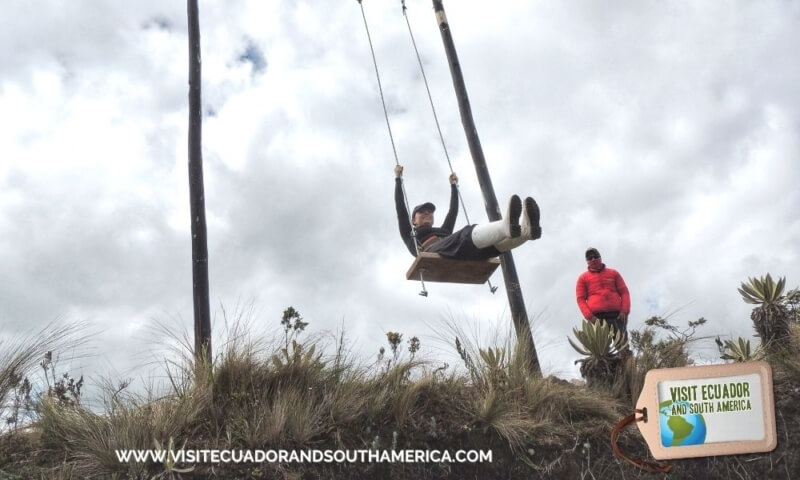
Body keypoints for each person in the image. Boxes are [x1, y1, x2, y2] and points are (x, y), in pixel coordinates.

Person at [394, 164, 541, 260]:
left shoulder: (444, 230)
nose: (427, 213)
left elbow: (453, 212)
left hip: (457, 251)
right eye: (422, 212)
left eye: (430, 212)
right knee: (466, 233)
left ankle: (525, 233)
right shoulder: (410, 235)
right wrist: (398, 179)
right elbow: (401, 209)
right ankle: (505, 226)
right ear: (413, 221)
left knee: (490, 248)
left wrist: (453, 187)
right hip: (435, 252)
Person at [575, 247, 631, 337]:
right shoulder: (583, 278)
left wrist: (624, 311)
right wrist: (590, 317)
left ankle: (624, 351)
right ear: (587, 261)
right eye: (589, 258)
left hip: (617, 315)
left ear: (600, 257)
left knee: (622, 346)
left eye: (595, 256)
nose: (593, 259)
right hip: (597, 318)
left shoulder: (614, 273)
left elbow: (624, 292)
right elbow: (580, 299)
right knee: (602, 349)